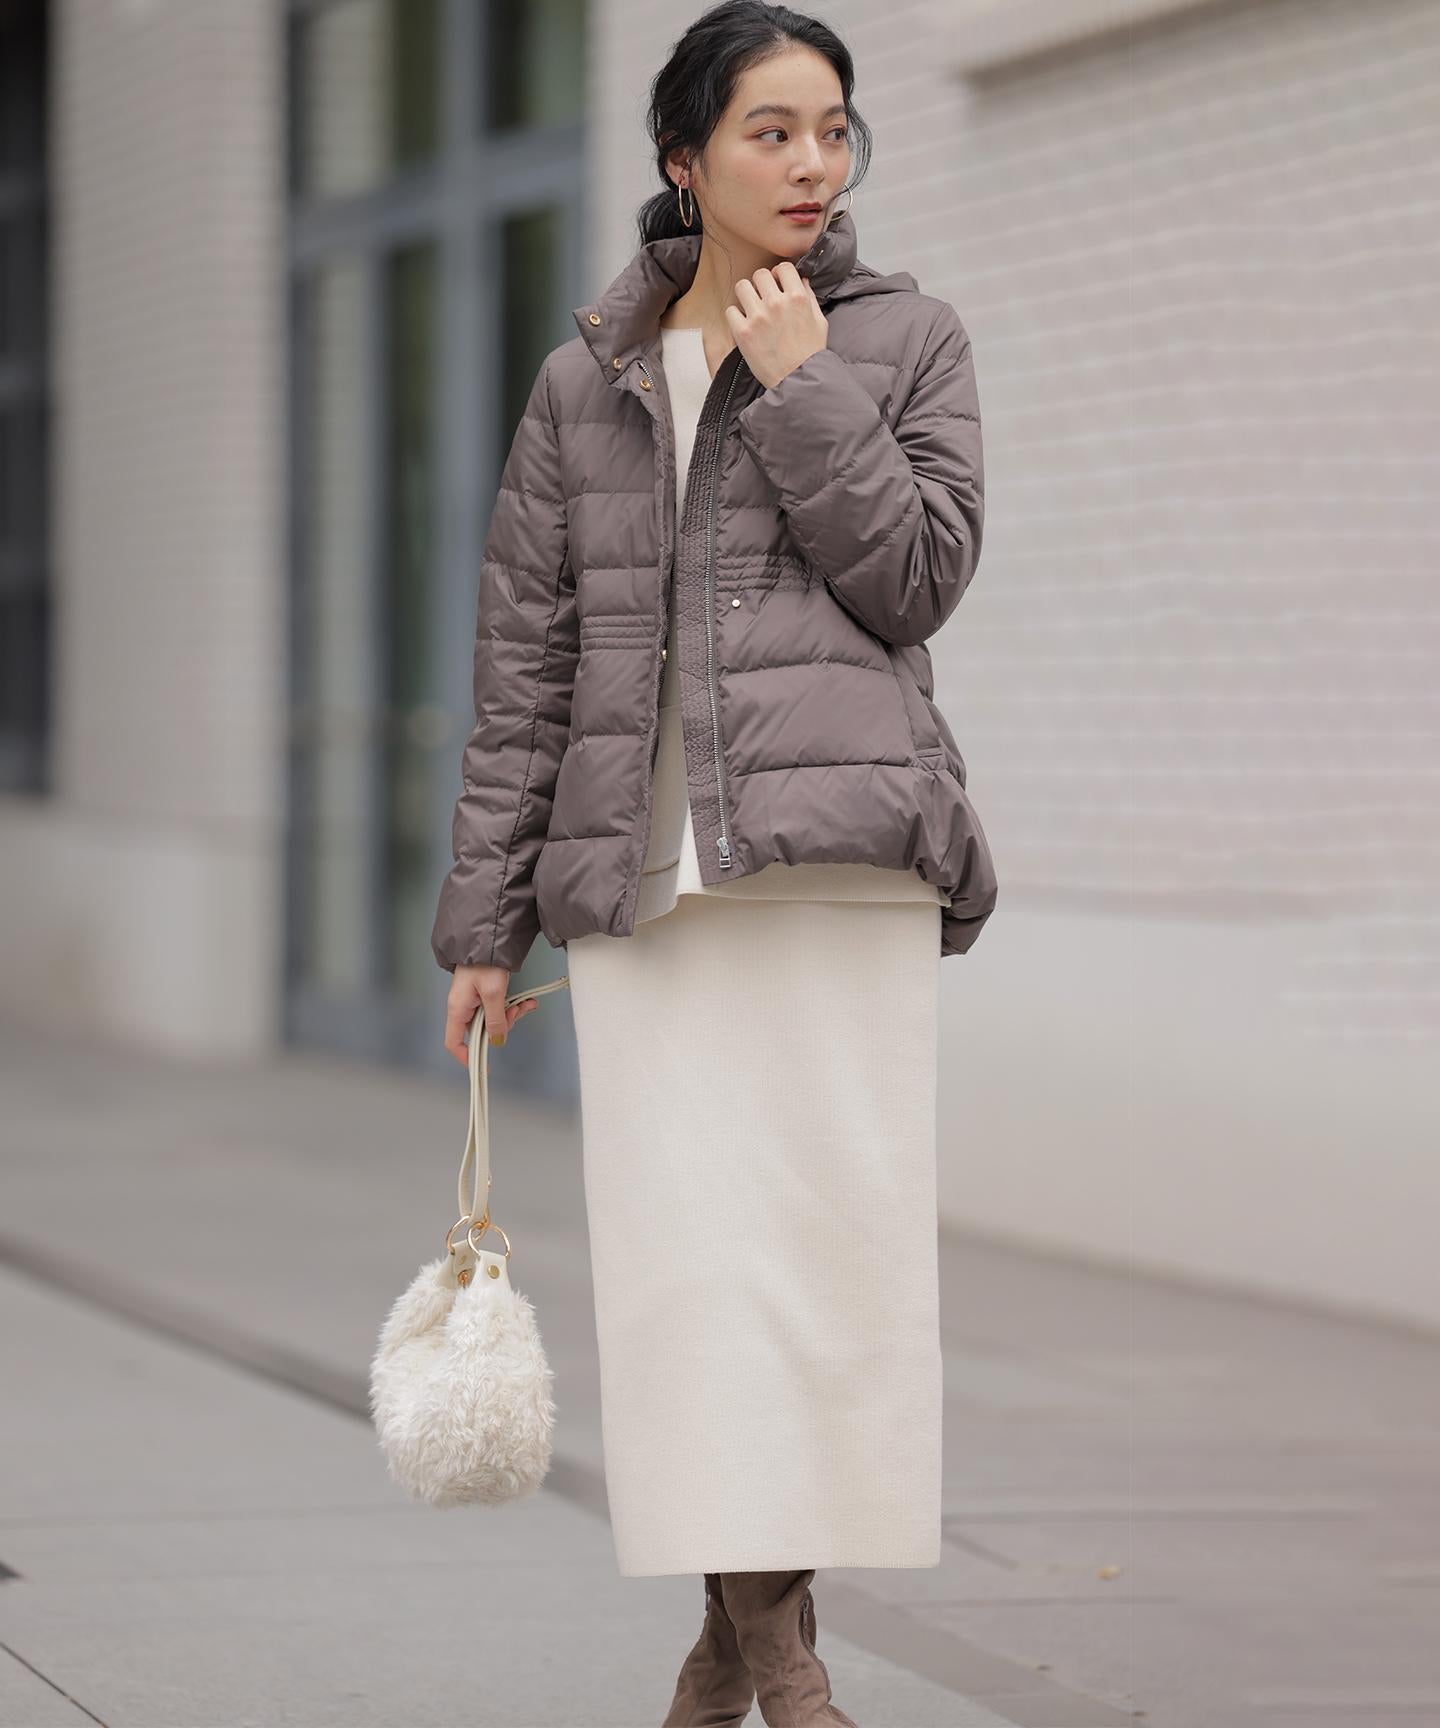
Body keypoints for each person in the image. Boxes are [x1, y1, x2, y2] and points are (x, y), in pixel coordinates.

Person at [432, 4, 995, 1722]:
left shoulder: (904, 338)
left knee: (824, 1268)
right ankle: (770, 1649)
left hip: (832, 873)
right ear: (684, 159)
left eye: (832, 128)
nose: (813, 162)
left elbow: (918, 580)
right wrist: (483, 922)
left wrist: (805, 383)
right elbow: (526, 667)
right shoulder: (583, 380)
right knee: (692, 1279)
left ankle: (751, 1647)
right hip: (645, 891)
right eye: (771, 130)